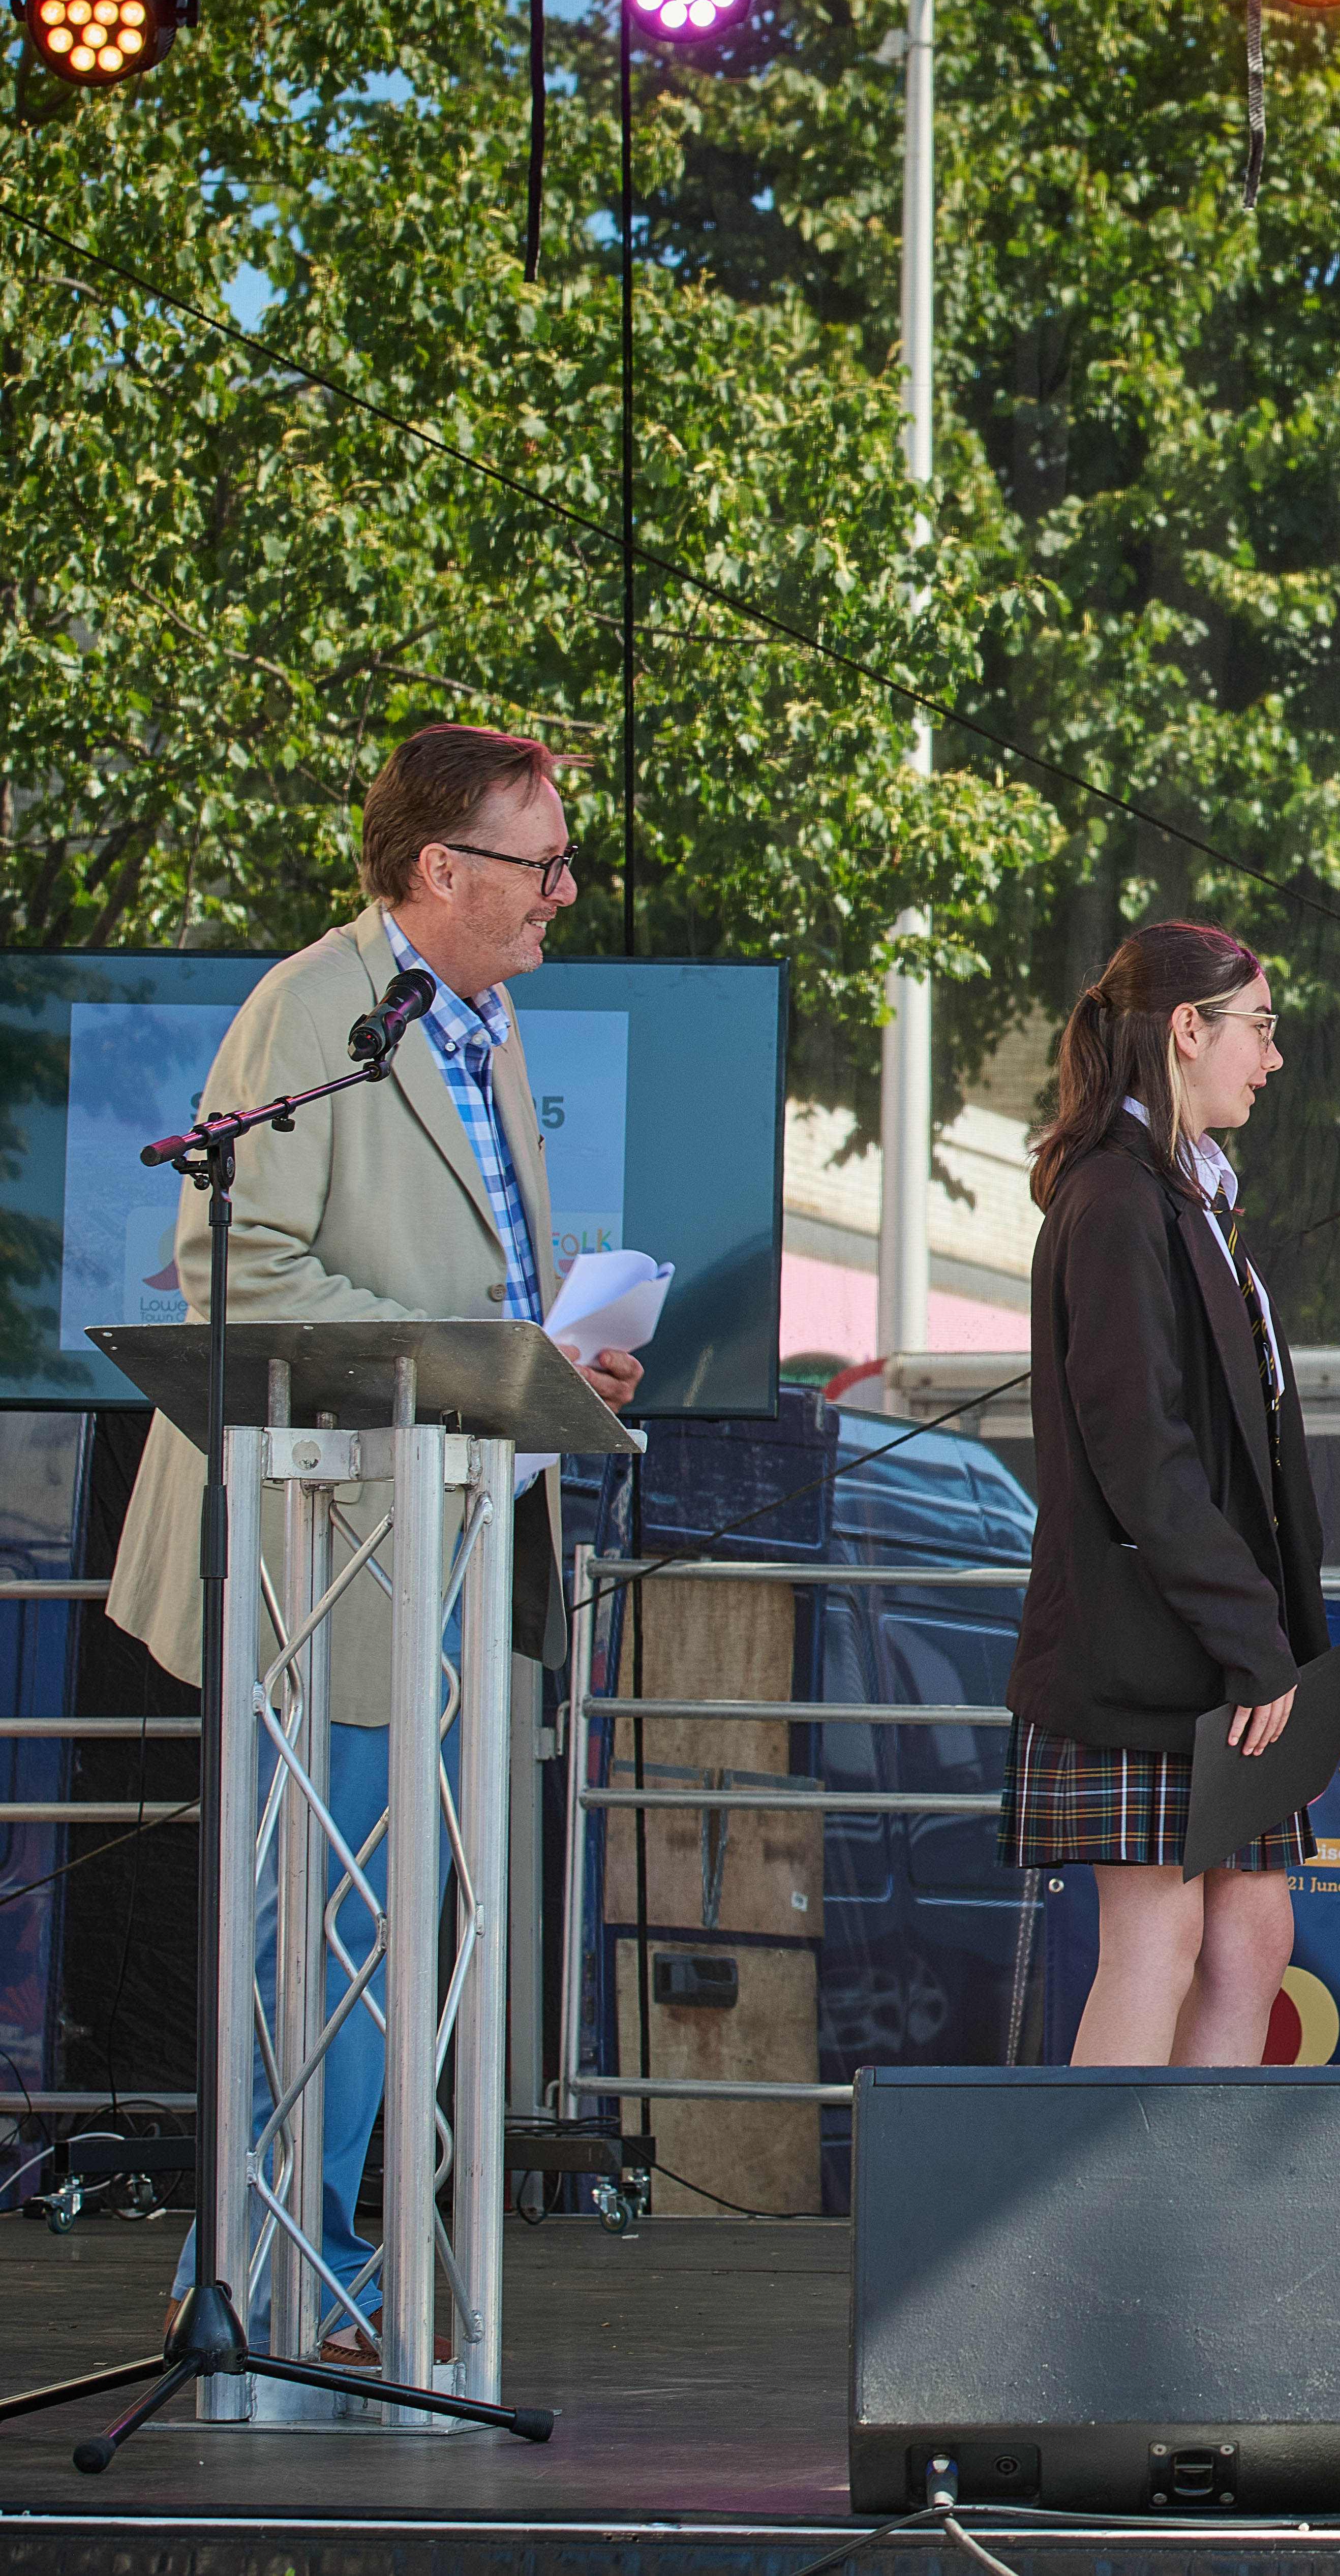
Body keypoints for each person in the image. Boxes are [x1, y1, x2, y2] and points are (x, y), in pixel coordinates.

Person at [109, 722, 643, 2370]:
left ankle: (314, 2254)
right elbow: (232, 1261)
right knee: (326, 1925)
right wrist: (462, 1359)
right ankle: (272, 2271)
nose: (564, 891)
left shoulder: (486, 1024)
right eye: (540, 862)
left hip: (446, 1545)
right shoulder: (316, 1005)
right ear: (440, 870)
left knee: (397, 1924)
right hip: (325, 1543)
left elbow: (473, 1296)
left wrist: (550, 1363)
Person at [1000, 920, 1322, 2071]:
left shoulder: (1186, 1196)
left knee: (1250, 1939)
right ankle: (1118, 2242)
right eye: (1260, 1028)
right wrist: (1252, 1635)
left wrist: (1262, 1635)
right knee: (1159, 1936)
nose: (1271, 1058)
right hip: (1148, 1653)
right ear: (1188, 1030)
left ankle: (1189, 2230)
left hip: (1219, 1651)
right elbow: (1144, 1454)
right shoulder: (1116, 1201)